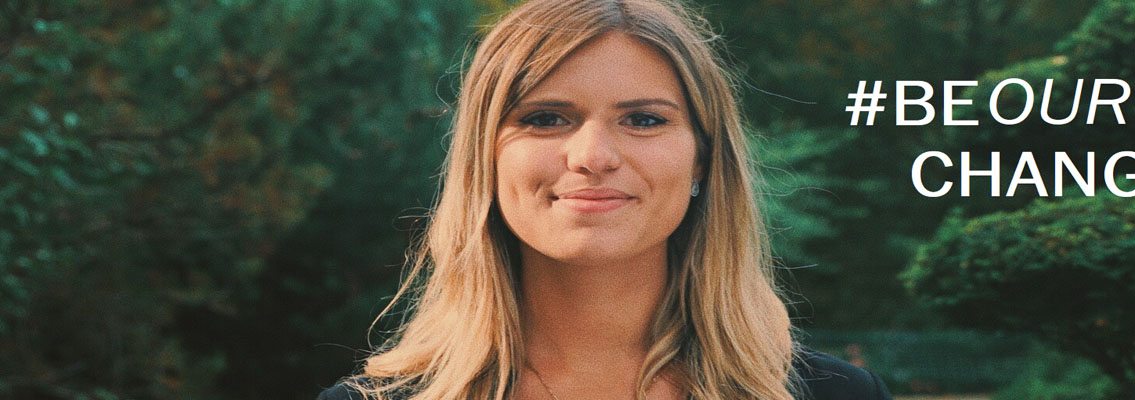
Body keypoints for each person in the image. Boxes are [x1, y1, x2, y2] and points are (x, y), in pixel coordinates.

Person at [319, 0, 892, 399]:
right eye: (546, 118)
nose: (593, 156)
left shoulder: (838, 395)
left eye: (643, 119)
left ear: (702, 159)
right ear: (484, 160)